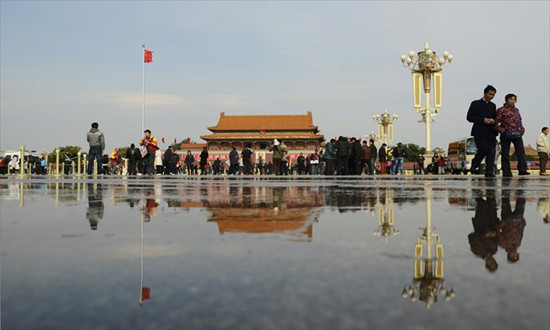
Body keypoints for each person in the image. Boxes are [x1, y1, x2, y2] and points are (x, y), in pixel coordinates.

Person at [467, 85, 498, 178]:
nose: (491, 96)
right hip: (479, 131)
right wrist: (482, 120)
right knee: (483, 149)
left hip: (491, 132)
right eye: (490, 94)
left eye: (493, 95)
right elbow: (469, 117)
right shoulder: (475, 104)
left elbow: (495, 117)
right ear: (485, 93)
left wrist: (493, 121)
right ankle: (475, 163)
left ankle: (489, 171)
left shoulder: (493, 105)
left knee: (492, 152)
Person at [495, 93, 529, 178]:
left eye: (514, 99)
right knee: (505, 153)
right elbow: (496, 122)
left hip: (517, 134)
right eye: (511, 99)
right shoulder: (501, 110)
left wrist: (522, 129)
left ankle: (522, 170)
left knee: (521, 152)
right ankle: (506, 172)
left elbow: (519, 120)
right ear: (506, 100)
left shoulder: (516, 110)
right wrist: (501, 130)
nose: (512, 101)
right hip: (506, 134)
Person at [468, 189, 500, 272]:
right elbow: (497, 237)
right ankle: (490, 180)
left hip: (481, 222)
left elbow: (471, 237)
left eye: (491, 263)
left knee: (482, 203)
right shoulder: (494, 250)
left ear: (486, 264)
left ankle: (476, 186)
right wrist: (495, 233)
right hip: (492, 219)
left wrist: (485, 235)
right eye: (494, 262)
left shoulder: (477, 251)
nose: (492, 261)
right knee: (492, 199)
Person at [497, 192, 526, 263]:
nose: (515, 253)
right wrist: (523, 224)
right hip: (518, 219)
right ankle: (522, 183)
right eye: (516, 255)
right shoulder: (518, 244)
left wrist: (502, 224)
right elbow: (521, 232)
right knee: (521, 199)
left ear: (508, 254)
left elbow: (497, 232)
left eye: (513, 256)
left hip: (507, 219)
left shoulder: (503, 244)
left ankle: (505, 182)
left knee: (505, 199)